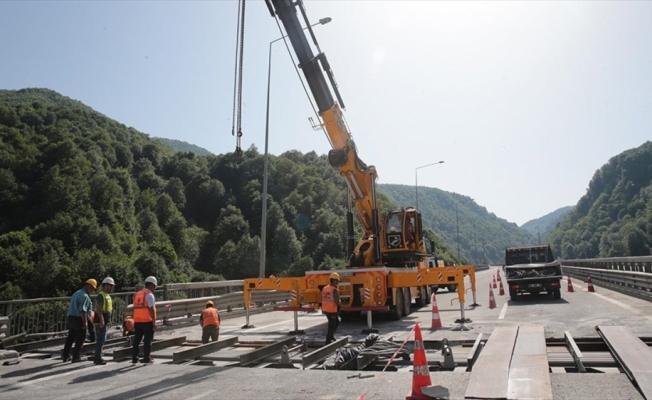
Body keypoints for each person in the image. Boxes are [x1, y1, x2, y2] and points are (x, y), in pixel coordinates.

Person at [62, 279, 96, 362]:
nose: (92, 290)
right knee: (81, 338)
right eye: (92, 288)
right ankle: (76, 356)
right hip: (78, 318)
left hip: (71, 317)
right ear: (88, 286)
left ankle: (66, 355)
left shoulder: (77, 293)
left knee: (71, 337)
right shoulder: (84, 296)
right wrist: (85, 322)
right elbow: (82, 310)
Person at [131, 276, 157, 364]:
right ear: (151, 285)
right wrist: (154, 322)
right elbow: (151, 309)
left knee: (136, 341)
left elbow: (134, 308)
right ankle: (147, 358)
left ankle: (135, 358)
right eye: (154, 286)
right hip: (147, 321)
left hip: (137, 321)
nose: (155, 289)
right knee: (147, 340)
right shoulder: (149, 295)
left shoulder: (137, 294)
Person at [93, 277, 115, 365]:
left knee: (102, 339)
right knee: (101, 339)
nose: (112, 287)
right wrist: (102, 320)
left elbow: (108, 309)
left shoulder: (107, 296)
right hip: (100, 321)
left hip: (105, 320)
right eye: (111, 286)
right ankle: (98, 358)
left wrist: (109, 321)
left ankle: (98, 356)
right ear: (106, 285)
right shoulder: (101, 295)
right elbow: (99, 308)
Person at [321, 272, 341, 345]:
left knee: (336, 322)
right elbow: (337, 302)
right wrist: (340, 301)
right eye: (337, 281)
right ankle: (328, 341)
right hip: (332, 310)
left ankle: (331, 336)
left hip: (326, 309)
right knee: (331, 325)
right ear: (334, 280)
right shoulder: (334, 290)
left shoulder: (325, 288)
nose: (337, 283)